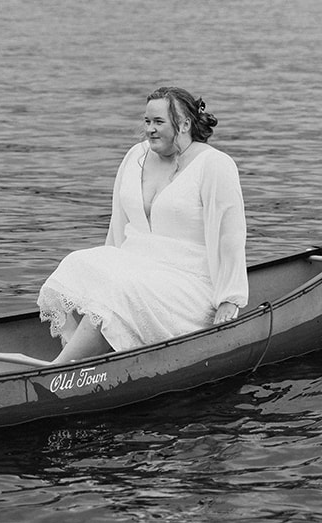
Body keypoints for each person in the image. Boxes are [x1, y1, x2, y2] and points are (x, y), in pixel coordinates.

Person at [37, 87, 248, 364]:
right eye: (147, 121)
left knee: (117, 293)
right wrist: (105, 270)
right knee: (74, 265)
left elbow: (229, 237)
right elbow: (118, 221)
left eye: (159, 122)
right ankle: (86, 357)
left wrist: (229, 299)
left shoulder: (215, 165)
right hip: (136, 269)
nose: (150, 129)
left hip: (187, 282)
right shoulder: (136, 156)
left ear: (184, 124)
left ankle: (61, 368)